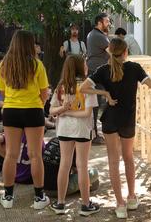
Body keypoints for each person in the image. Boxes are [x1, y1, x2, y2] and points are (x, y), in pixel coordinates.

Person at [81, 37, 151, 219]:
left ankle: (120, 205)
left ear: (110, 52)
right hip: (127, 120)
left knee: (113, 162)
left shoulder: (103, 70)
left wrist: (105, 93)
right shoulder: (134, 68)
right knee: (128, 158)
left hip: (110, 119)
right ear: (126, 52)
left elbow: (83, 88)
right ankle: (132, 197)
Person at [0, 30, 51, 210]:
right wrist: (37, 104)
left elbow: (3, 92)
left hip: (11, 111)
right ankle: (39, 197)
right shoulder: (37, 65)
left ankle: (8, 197)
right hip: (33, 111)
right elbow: (44, 93)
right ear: (29, 44)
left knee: (11, 154)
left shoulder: (4, 64)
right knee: (36, 155)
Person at [49, 54, 100, 216]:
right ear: (79, 67)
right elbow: (87, 113)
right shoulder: (87, 86)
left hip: (64, 129)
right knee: (82, 166)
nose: (86, 66)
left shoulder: (61, 86)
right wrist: (67, 111)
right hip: (83, 130)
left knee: (64, 165)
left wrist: (65, 111)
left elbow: (52, 110)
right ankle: (85, 205)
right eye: (84, 64)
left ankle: (60, 203)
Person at [86, 13, 111, 145]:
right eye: (106, 21)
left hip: (95, 73)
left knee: (95, 104)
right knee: (95, 104)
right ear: (99, 23)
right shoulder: (98, 36)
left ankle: (94, 132)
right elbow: (113, 52)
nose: (109, 24)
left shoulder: (92, 34)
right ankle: (94, 135)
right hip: (97, 74)